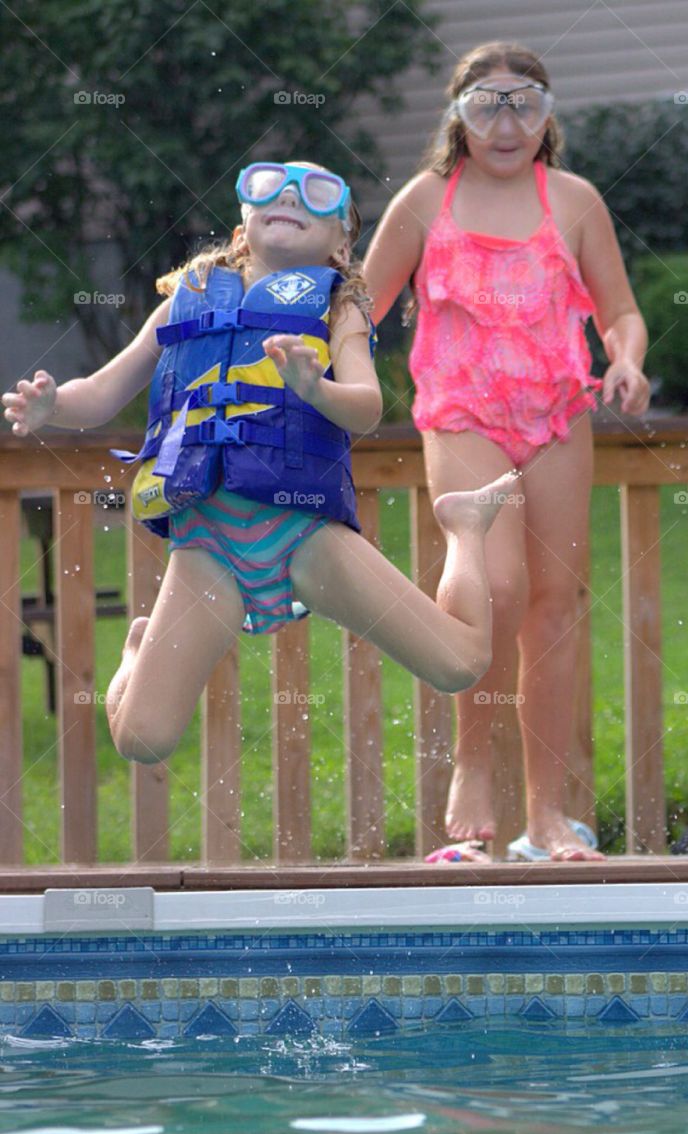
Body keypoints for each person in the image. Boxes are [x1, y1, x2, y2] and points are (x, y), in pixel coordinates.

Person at [3, 160, 519, 766]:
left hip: (304, 534)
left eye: (317, 195)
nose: (291, 197)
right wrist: (53, 406)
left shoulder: (338, 309)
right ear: (244, 225)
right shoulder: (185, 300)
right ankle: (138, 652)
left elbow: (368, 408)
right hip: (208, 548)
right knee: (142, 739)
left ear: (341, 244)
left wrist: (314, 387)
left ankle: (463, 527)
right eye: (269, 186)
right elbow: (104, 391)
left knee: (460, 664)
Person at [364, 42, 651, 862]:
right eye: (487, 104)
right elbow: (362, 306)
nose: (506, 123)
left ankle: (548, 815)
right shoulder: (425, 201)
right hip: (460, 412)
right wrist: (316, 367)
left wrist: (626, 359)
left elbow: (619, 311)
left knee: (554, 607)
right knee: (494, 584)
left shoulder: (575, 200)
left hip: (558, 413)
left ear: (548, 115)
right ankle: (473, 771)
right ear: (458, 116)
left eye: (524, 103)